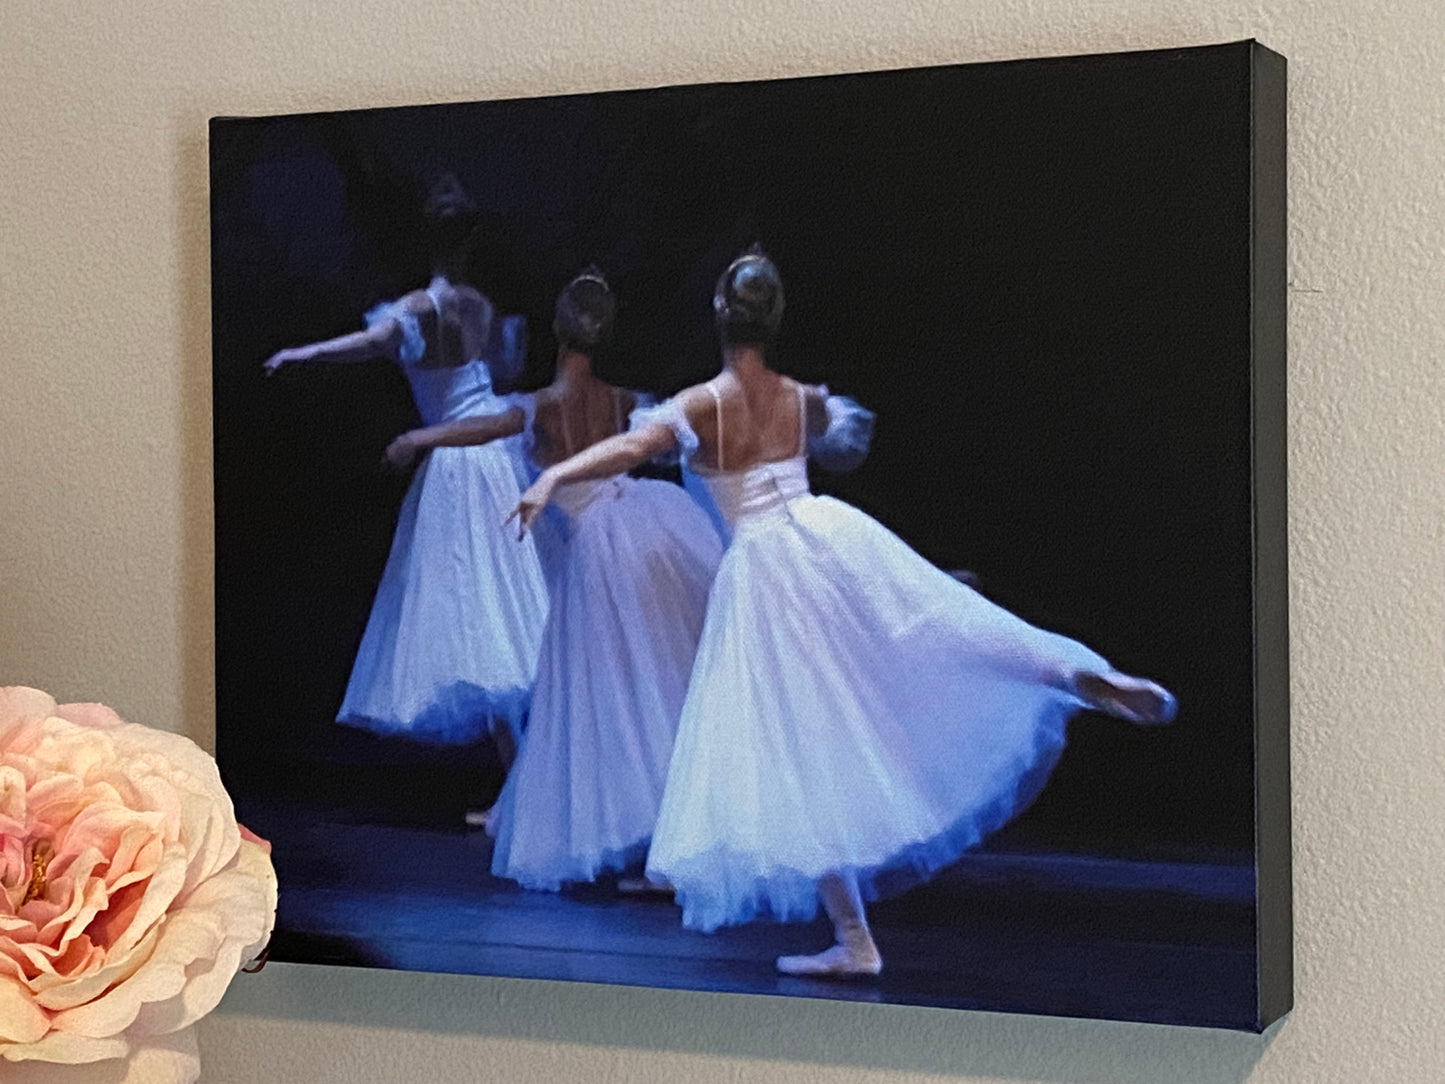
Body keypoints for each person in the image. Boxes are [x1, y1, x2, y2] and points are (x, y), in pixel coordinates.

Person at [509, 247, 1176, 976]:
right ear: (776, 319)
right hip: (825, 532)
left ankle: (856, 940)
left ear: (717, 316)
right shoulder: (801, 398)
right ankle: (1076, 670)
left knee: (803, 743)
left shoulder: (701, 405)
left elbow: (632, 446)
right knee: (936, 623)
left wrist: (553, 481)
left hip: (763, 571)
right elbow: (846, 442)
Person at [393, 268, 723, 889]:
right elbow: (670, 443)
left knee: (607, 693)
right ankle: (661, 830)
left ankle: (647, 834)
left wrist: (419, 436)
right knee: (645, 685)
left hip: (600, 547)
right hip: (646, 526)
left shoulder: (541, 408)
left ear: (556, 329)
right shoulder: (627, 401)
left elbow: (482, 429)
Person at [262, 173, 548, 755]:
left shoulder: (422, 307)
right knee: (499, 606)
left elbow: (369, 344)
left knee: (476, 609)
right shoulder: (480, 306)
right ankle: (517, 781)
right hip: (494, 453)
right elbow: (500, 374)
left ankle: (520, 780)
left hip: (454, 458)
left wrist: (304, 352)